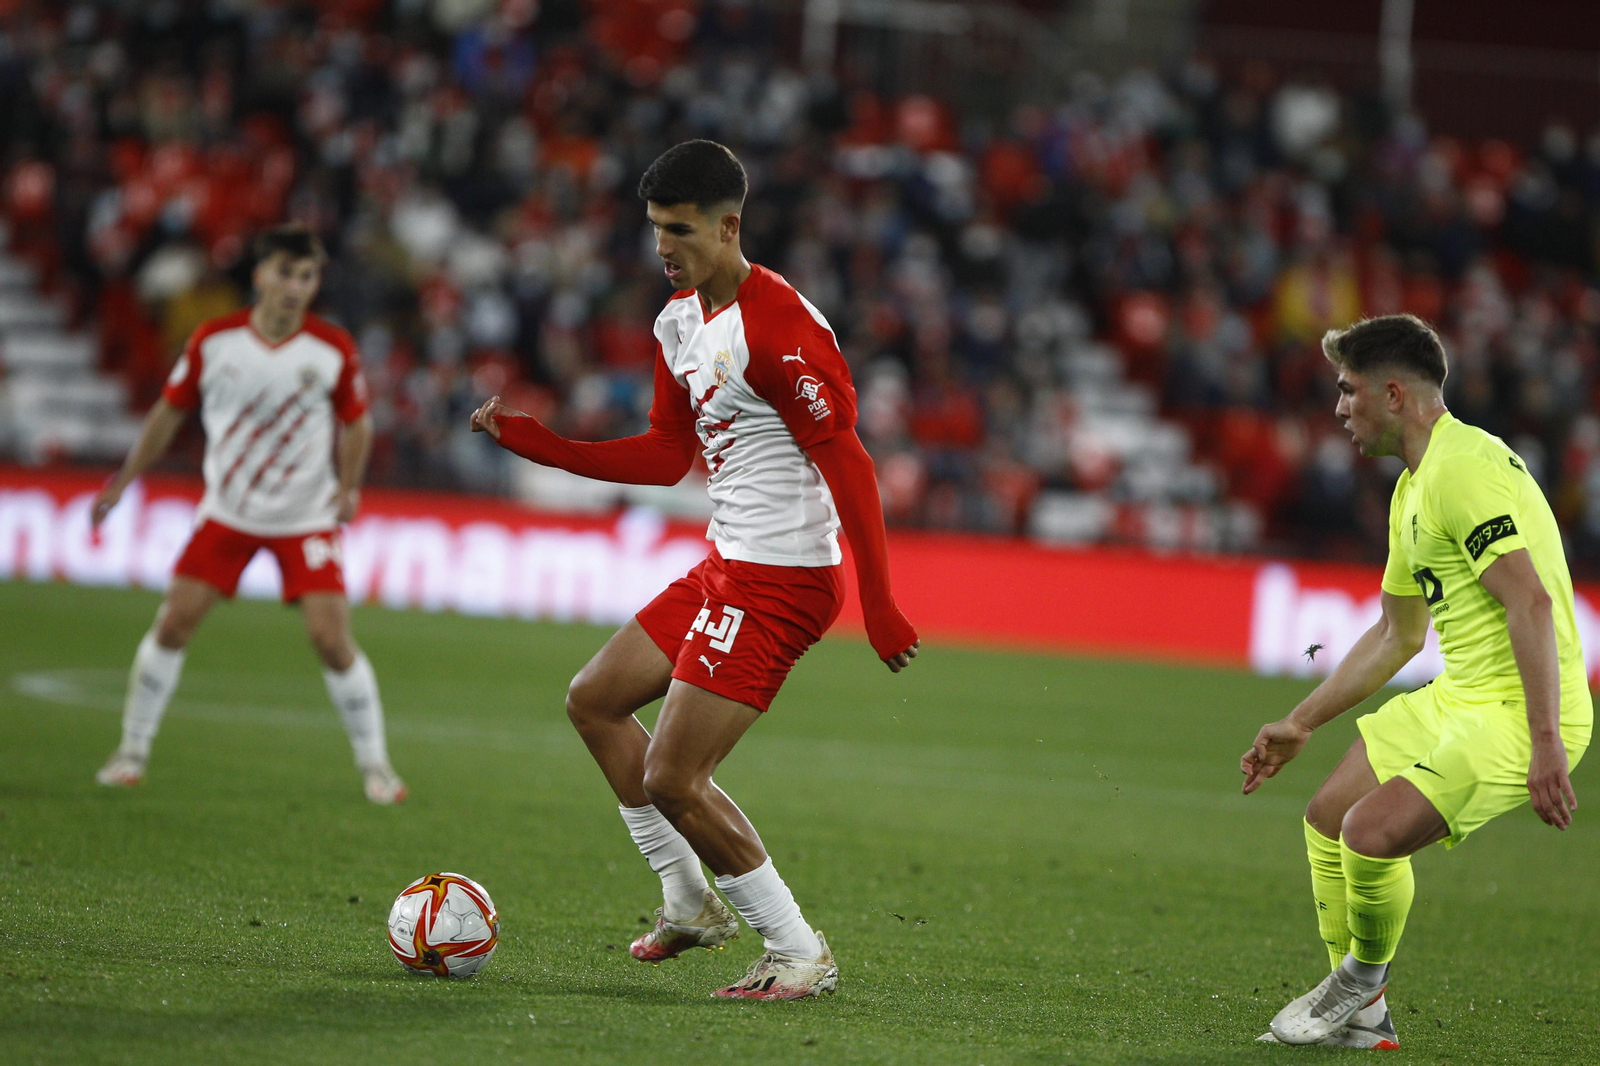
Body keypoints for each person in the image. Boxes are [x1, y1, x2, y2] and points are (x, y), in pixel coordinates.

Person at [470, 140, 920, 999]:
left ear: (728, 226)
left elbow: (850, 464)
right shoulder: (679, 320)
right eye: (654, 230)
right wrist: (547, 446)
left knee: (673, 775)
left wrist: (882, 602)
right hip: (727, 565)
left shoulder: (782, 327)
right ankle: (689, 903)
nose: (663, 246)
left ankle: (797, 952)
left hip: (784, 577)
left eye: (678, 230)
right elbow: (667, 455)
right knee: (594, 701)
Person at [1241, 314, 1590, 1048]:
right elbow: (1398, 635)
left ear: (1393, 394)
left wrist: (1546, 741)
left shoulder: (1464, 470)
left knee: (1371, 834)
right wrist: (1301, 720)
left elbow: (1529, 599)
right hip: (1460, 695)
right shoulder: (1412, 490)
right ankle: (1362, 1016)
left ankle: (1362, 980)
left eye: (1348, 391)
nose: (1340, 409)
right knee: (1328, 816)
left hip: (1518, 709)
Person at [91, 224, 406, 805]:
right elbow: (168, 412)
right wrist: (123, 480)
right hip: (228, 512)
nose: (295, 286)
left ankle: (376, 765)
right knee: (173, 622)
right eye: (286, 273)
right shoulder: (214, 340)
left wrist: (349, 487)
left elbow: (358, 421)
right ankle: (131, 751)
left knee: (331, 639)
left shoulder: (331, 348)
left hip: (304, 517)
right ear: (260, 275)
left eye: (307, 276)